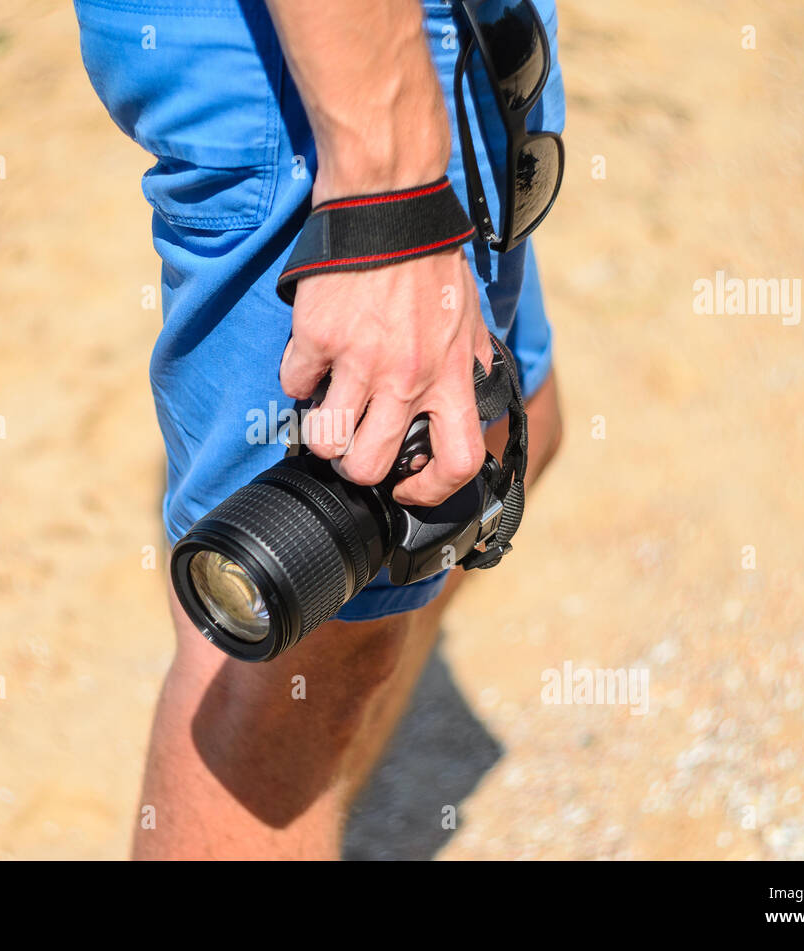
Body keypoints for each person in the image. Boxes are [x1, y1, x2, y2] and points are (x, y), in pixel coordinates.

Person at [72, 0, 565, 858]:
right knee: (287, 668)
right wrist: (391, 195)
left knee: (510, 438)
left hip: (439, 42)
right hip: (323, 70)